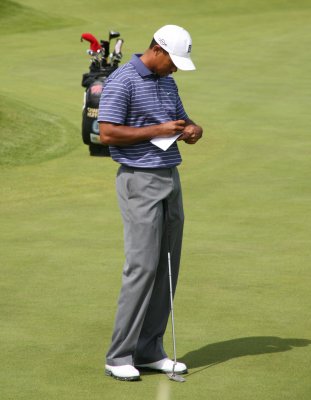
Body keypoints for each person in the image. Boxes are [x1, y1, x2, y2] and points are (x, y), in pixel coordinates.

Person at [98, 24, 203, 381]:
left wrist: (191, 129)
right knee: (142, 266)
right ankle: (119, 355)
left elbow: (181, 120)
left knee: (168, 265)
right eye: (173, 61)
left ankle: (148, 349)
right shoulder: (122, 81)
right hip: (138, 180)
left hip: (170, 176)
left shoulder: (167, 81)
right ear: (157, 50)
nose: (175, 68)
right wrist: (156, 131)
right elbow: (107, 132)